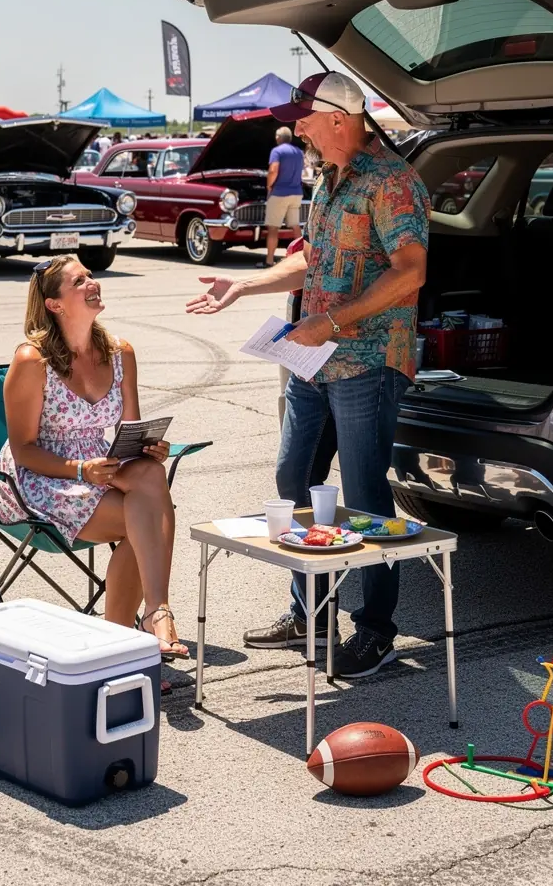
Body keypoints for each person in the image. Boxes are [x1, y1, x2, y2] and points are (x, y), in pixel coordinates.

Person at [187, 71, 429, 677]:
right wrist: (242, 284)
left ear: (341, 120)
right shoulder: (328, 178)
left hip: (367, 360)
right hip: (314, 358)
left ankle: (375, 631)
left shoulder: (393, 182)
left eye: (306, 119)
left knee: (367, 495)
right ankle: (310, 612)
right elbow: (308, 259)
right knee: (293, 479)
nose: (297, 129)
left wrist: (333, 323)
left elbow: (410, 272)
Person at [0, 255, 188, 660]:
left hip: (101, 464)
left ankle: (151, 614)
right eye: (80, 281)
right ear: (55, 304)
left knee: (151, 473)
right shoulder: (33, 361)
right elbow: (22, 449)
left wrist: (150, 446)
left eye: (90, 276)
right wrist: (80, 469)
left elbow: (128, 429)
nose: (92, 283)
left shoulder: (120, 352)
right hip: (41, 475)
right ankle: (127, 638)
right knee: (147, 519)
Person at [260, 126, 304, 268]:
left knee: (273, 228)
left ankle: (269, 260)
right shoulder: (299, 152)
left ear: (278, 138)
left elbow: (273, 170)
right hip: (296, 192)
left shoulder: (277, 151)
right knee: (295, 226)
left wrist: (269, 186)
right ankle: (304, 258)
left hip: (279, 193)